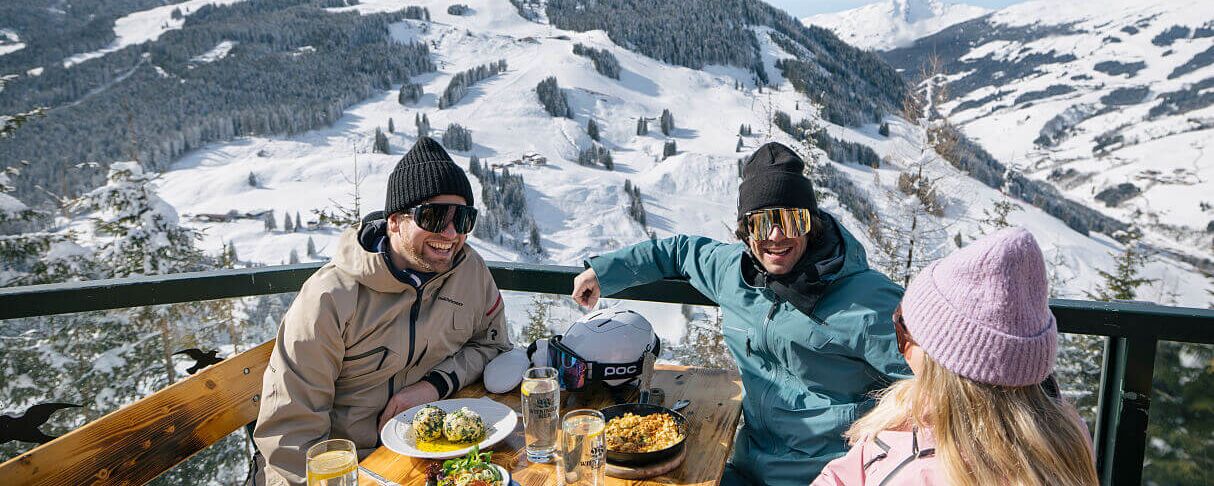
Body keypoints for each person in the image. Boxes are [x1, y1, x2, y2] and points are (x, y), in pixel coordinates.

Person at [571, 142, 909, 485]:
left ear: (810, 224)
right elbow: (678, 252)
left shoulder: (868, 300)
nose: (776, 236)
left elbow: (939, 386)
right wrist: (603, 272)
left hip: (828, 473)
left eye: (791, 219)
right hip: (747, 467)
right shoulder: (735, 272)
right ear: (746, 231)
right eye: (762, 223)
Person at [253, 137, 511, 485]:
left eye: (463, 218)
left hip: (425, 457)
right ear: (394, 222)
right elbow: (290, 437)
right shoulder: (330, 298)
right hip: (349, 470)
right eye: (433, 216)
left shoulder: (470, 272)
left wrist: (433, 385)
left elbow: (491, 345)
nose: (451, 234)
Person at [812, 228, 1098, 486]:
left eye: (903, 328)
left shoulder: (920, 471)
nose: (897, 333)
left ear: (943, 363)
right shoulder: (1061, 433)